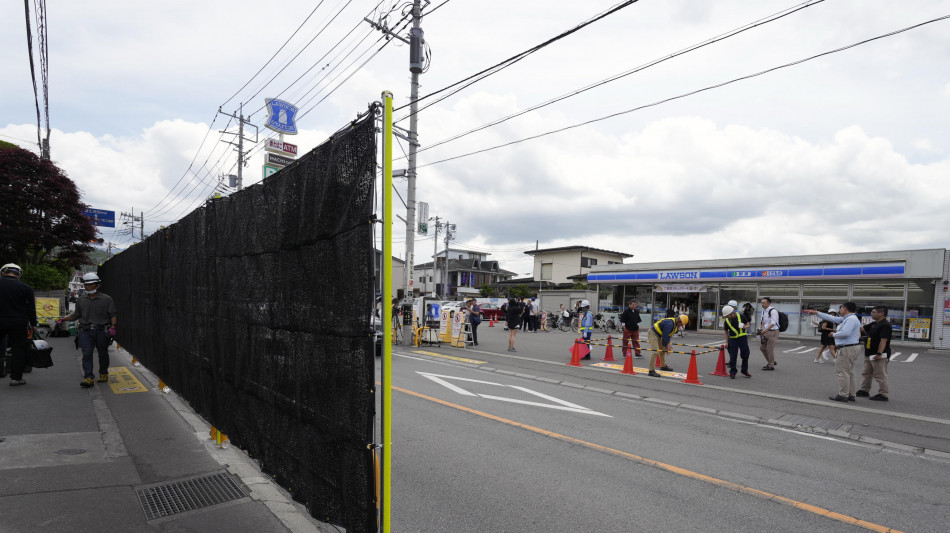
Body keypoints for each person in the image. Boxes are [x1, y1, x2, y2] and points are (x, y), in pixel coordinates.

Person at [59, 272, 117, 388]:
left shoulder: (107, 299)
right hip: (85, 331)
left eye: (91, 284)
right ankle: (89, 377)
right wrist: (63, 319)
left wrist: (113, 327)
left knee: (103, 354)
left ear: (97, 285)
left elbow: (113, 314)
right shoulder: (81, 300)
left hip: (101, 331)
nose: (88, 287)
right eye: (86, 284)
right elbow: (76, 315)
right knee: (86, 354)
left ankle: (103, 373)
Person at [804, 302, 862, 402]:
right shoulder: (849, 318)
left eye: (841, 308)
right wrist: (817, 313)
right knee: (850, 372)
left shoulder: (850, 319)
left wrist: (833, 335)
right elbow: (833, 319)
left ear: (845, 308)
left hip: (847, 348)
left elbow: (845, 333)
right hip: (851, 348)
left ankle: (843, 395)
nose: (839, 310)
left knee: (842, 372)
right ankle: (851, 394)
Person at [0, 263, 38, 386]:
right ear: (19, 274)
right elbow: (31, 309)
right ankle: (16, 378)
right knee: (19, 349)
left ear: (2, 272)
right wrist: (34, 325)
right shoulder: (26, 288)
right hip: (18, 322)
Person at [857, 306, 891, 401]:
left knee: (880, 375)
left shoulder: (885, 325)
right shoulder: (874, 324)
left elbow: (883, 340)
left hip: (879, 354)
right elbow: (862, 329)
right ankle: (864, 390)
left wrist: (879, 353)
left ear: (881, 313)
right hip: (869, 353)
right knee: (866, 373)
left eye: (873, 312)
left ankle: (883, 394)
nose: (871, 314)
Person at [721, 305, 751, 378]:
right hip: (733, 339)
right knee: (733, 356)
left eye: (727, 315)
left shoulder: (741, 316)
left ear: (732, 313)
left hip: (742, 338)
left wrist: (744, 326)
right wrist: (726, 342)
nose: (726, 317)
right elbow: (725, 332)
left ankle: (744, 370)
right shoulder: (727, 321)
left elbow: (748, 324)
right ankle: (733, 371)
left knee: (745, 354)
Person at [758, 297, 780, 370]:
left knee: (770, 349)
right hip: (766, 331)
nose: (762, 304)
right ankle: (772, 361)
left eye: (764, 303)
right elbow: (763, 321)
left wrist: (765, 330)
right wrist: (759, 328)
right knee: (762, 348)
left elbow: (773, 323)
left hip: (773, 332)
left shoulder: (773, 311)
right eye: (761, 303)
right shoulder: (764, 311)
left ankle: (771, 365)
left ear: (768, 303)